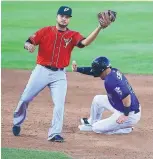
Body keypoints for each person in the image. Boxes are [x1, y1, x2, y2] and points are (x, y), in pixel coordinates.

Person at [12, 6, 116, 142]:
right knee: (25, 98)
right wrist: (29, 46)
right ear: (57, 17)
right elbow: (29, 41)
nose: (64, 19)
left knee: (59, 105)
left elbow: (84, 43)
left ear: (69, 19)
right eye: (62, 16)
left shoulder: (72, 35)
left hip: (59, 75)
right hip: (41, 71)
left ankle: (54, 133)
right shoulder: (45, 31)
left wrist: (99, 28)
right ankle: (17, 122)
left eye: (67, 17)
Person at [72, 57, 141, 134]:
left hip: (129, 113)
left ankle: (125, 128)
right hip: (120, 105)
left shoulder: (111, 81)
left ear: (102, 70)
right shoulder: (112, 71)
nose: (97, 74)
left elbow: (126, 96)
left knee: (96, 128)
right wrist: (77, 69)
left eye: (97, 71)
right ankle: (91, 122)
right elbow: (93, 71)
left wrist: (125, 115)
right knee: (97, 99)